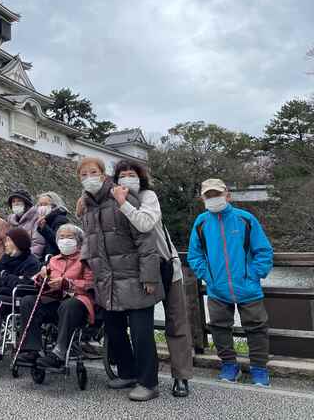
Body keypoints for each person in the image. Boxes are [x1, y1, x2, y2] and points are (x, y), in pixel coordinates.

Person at [79, 157, 163, 401]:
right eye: (83, 175)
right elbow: (89, 243)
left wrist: (149, 276)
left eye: (92, 172)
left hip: (134, 276)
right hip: (107, 279)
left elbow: (145, 241)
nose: (88, 178)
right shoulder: (88, 206)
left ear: (104, 174)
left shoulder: (123, 199)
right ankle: (127, 372)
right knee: (114, 330)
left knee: (141, 333)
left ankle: (149, 382)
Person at [111, 160, 193, 398]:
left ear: (140, 177)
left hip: (166, 265)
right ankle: (135, 374)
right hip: (138, 271)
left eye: (131, 174)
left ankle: (182, 377)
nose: (127, 178)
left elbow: (145, 223)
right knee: (139, 326)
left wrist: (123, 203)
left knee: (176, 322)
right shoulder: (112, 200)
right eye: (122, 175)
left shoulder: (149, 196)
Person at [187, 178, 273, 387]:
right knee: (218, 327)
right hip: (217, 288)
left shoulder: (245, 219)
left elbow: (263, 250)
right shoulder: (201, 222)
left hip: (247, 286)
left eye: (217, 193)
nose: (213, 198)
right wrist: (207, 275)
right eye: (208, 195)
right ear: (203, 198)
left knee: (257, 328)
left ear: (227, 194)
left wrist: (254, 274)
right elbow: (194, 255)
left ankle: (259, 369)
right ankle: (229, 365)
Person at [16, 224, 95, 369]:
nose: (65, 240)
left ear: (78, 240)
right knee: (28, 301)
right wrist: (41, 279)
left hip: (77, 303)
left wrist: (67, 284)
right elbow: (40, 285)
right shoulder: (53, 260)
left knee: (69, 304)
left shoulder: (86, 259)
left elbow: (91, 284)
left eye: (69, 237)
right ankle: (31, 350)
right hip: (54, 300)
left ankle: (59, 352)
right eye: (62, 237)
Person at [34, 191, 69, 258]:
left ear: (54, 206)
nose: (42, 207)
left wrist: (44, 228)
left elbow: (58, 242)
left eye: (45, 204)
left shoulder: (60, 220)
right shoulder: (43, 220)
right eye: (40, 205)